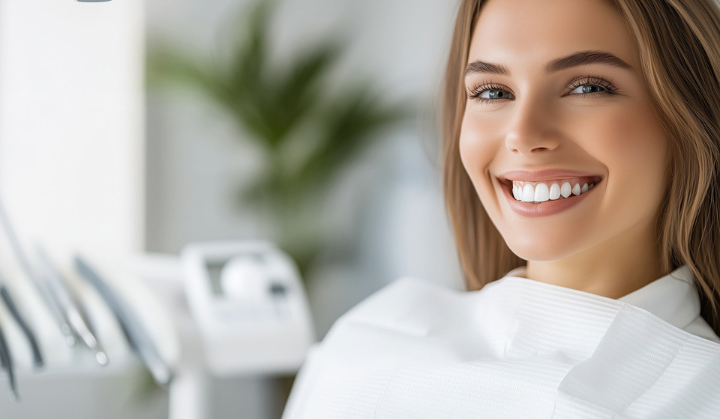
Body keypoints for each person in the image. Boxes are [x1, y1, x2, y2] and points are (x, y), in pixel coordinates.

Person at [282, 0, 720, 417]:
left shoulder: (703, 392)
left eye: (587, 87)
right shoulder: (370, 335)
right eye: (493, 92)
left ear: (689, 116)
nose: (523, 133)